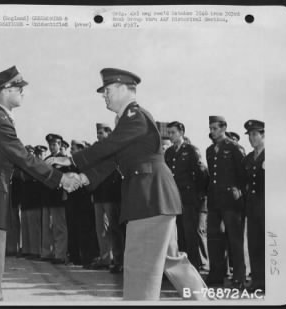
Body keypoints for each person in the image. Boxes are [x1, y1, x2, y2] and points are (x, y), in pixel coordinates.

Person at [47, 68, 208, 300]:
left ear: (124, 88)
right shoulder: (127, 120)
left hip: (149, 198)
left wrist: (72, 159)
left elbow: (110, 145)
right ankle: (203, 300)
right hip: (154, 198)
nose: (104, 95)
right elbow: (112, 159)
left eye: (108, 90)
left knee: (140, 266)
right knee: (172, 261)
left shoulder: (135, 116)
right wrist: (82, 178)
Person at [0, 65, 79, 300]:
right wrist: (60, 178)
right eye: (19, 88)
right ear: (6, 90)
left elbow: (21, 161)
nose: (23, 93)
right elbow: (24, 157)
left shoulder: (0, 120)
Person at [205, 116, 246, 289]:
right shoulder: (209, 149)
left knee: (234, 239)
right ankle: (216, 275)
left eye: (215, 128)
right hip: (215, 200)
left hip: (231, 200)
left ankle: (239, 276)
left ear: (223, 128)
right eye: (211, 128)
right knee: (214, 238)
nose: (212, 131)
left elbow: (243, 172)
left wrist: (239, 190)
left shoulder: (234, 147)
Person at [165, 121, 208, 271]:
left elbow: (202, 174)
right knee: (180, 234)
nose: (170, 136)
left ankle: (194, 266)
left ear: (181, 132)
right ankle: (182, 267)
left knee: (191, 234)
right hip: (175, 199)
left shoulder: (191, 150)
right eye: (169, 133)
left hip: (189, 198)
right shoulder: (169, 152)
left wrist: (199, 195)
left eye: (173, 133)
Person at [89, 122, 124, 273]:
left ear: (109, 133)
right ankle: (105, 258)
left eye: (101, 133)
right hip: (99, 195)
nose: (98, 137)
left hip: (111, 195)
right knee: (100, 229)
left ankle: (118, 260)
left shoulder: (116, 149)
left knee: (114, 229)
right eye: (97, 134)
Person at [65, 140, 100, 267]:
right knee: (73, 230)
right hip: (72, 202)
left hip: (85, 202)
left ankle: (88, 258)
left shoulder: (87, 164)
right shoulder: (71, 165)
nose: (71, 151)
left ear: (81, 149)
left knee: (86, 231)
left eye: (73, 149)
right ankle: (75, 257)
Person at [242, 120, 265, 293]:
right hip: (252, 207)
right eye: (249, 135)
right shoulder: (249, 158)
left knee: (269, 243)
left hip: (267, 207)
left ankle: (271, 279)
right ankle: (257, 279)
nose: (251, 138)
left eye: (255, 134)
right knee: (254, 244)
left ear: (263, 135)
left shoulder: (271, 155)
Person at [42, 133, 69, 264]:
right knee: (47, 227)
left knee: (59, 227)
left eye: (54, 144)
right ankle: (49, 252)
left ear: (59, 145)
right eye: (50, 144)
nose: (52, 147)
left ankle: (60, 254)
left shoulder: (64, 160)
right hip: (47, 196)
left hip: (59, 197)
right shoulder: (47, 160)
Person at [20, 145, 44, 260]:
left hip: (34, 200)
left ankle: (36, 251)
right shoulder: (23, 166)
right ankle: (27, 249)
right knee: (26, 226)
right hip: (25, 200)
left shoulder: (35, 166)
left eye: (30, 152)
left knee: (34, 227)